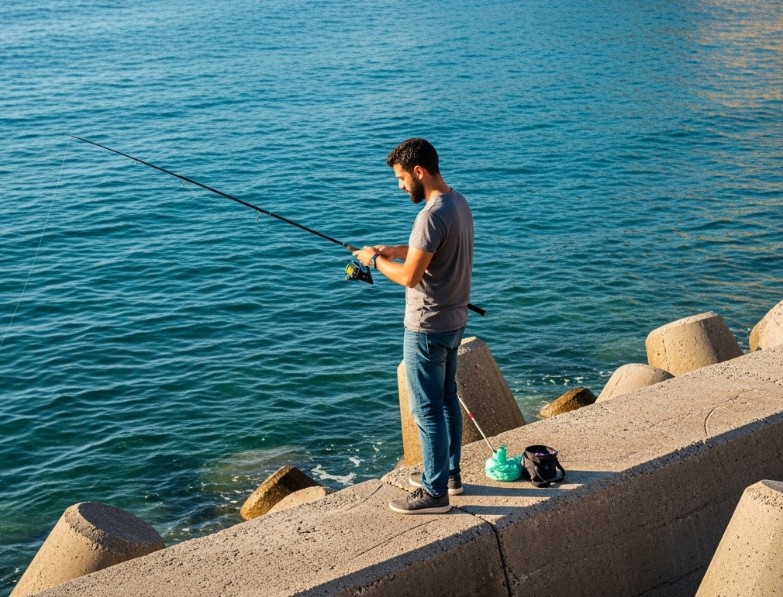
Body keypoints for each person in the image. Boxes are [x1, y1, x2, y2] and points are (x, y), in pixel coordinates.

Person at [353, 138, 474, 514]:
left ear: (419, 172)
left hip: (426, 328)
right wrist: (392, 249)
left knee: (427, 411)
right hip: (453, 322)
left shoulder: (430, 216)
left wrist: (373, 261)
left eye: (402, 178)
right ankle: (449, 475)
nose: (400, 186)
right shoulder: (457, 203)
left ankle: (434, 492)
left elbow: (409, 276)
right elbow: (431, 251)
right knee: (447, 400)